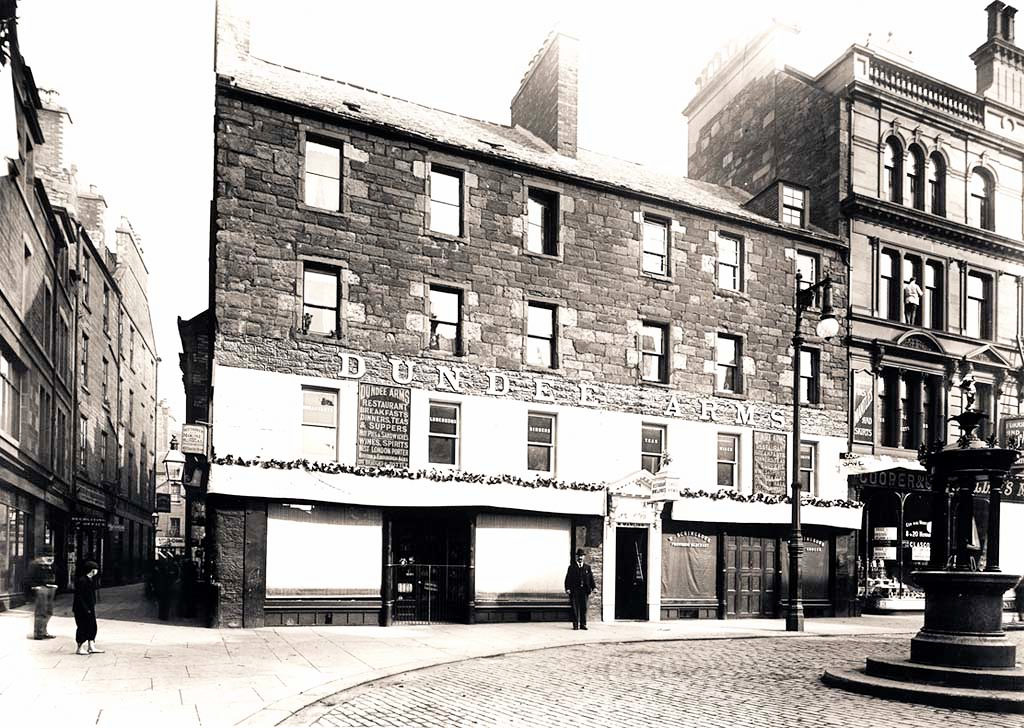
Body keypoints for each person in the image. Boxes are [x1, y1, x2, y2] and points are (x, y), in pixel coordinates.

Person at [25, 546, 58, 639]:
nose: (50, 557)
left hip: (49, 588)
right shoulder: (35, 564)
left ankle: (44, 630)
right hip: (40, 589)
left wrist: (49, 566)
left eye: (51, 555)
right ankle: (38, 633)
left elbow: (54, 575)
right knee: (41, 611)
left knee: (49, 611)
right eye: (48, 555)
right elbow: (28, 578)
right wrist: (35, 587)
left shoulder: (50, 565)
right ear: (42, 556)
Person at [73, 561, 103, 655]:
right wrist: (86, 609)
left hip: (90, 607)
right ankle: (80, 647)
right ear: (92, 570)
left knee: (92, 626)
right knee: (82, 627)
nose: (97, 571)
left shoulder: (90, 580)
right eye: (95, 569)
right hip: (82, 608)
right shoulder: (82, 581)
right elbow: (79, 597)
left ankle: (91, 646)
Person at [564, 548, 596, 630]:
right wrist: (567, 588)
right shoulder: (571, 567)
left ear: (584, 557)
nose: (580, 558)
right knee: (575, 608)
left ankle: (583, 624)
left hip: (584, 591)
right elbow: (568, 579)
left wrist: (594, 587)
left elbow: (591, 578)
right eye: (578, 556)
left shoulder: (587, 568)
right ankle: (575, 625)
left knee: (584, 607)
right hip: (575, 591)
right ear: (576, 557)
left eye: (581, 556)